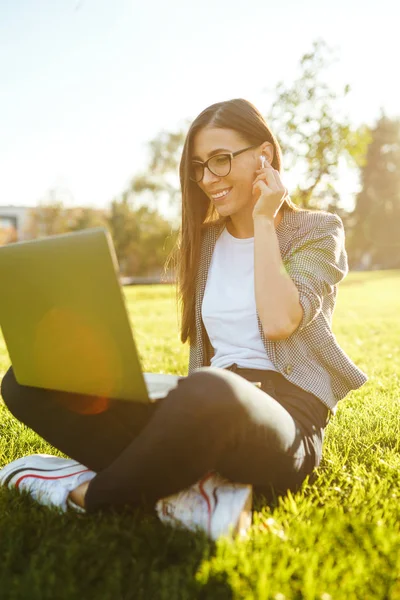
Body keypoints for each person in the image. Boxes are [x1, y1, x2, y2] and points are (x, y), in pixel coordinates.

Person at [0, 98, 367, 535]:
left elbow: (279, 321)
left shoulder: (318, 231)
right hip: (199, 408)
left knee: (211, 390)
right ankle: (192, 489)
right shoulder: (206, 241)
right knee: (27, 382)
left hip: (282, 422)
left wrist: (265, 220)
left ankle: (84, 493)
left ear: (263, 156)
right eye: (198, 166)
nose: (207, 179)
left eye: (220, 160)